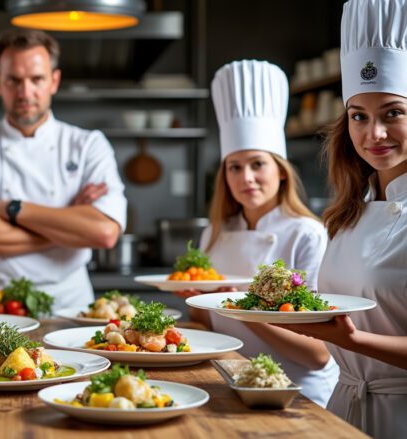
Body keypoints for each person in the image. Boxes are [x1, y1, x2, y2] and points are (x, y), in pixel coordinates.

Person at [276, 0, 407, 436]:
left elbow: (350, 335)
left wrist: (350, 341)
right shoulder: (348, 211)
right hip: (345, 408)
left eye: (393, 113)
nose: (375, 134)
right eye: (359, 116)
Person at [174, 60, 338, 406]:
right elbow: (206, 323)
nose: (245, 178)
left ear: (280, 172)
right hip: (229, 378)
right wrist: (196, 300)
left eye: (257, 164)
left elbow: (318, 354)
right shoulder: (213, 235)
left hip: (297, 391)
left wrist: (238, 308)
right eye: (235, 167)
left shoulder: (307, 234)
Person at [0, 28, 127, 310]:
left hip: (69, 305)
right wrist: (67, 226)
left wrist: (10, 209)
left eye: (36, 79)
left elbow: (104, 232)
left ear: (54, 80)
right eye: (14, 80)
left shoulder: (88, 144)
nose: (25, 92)